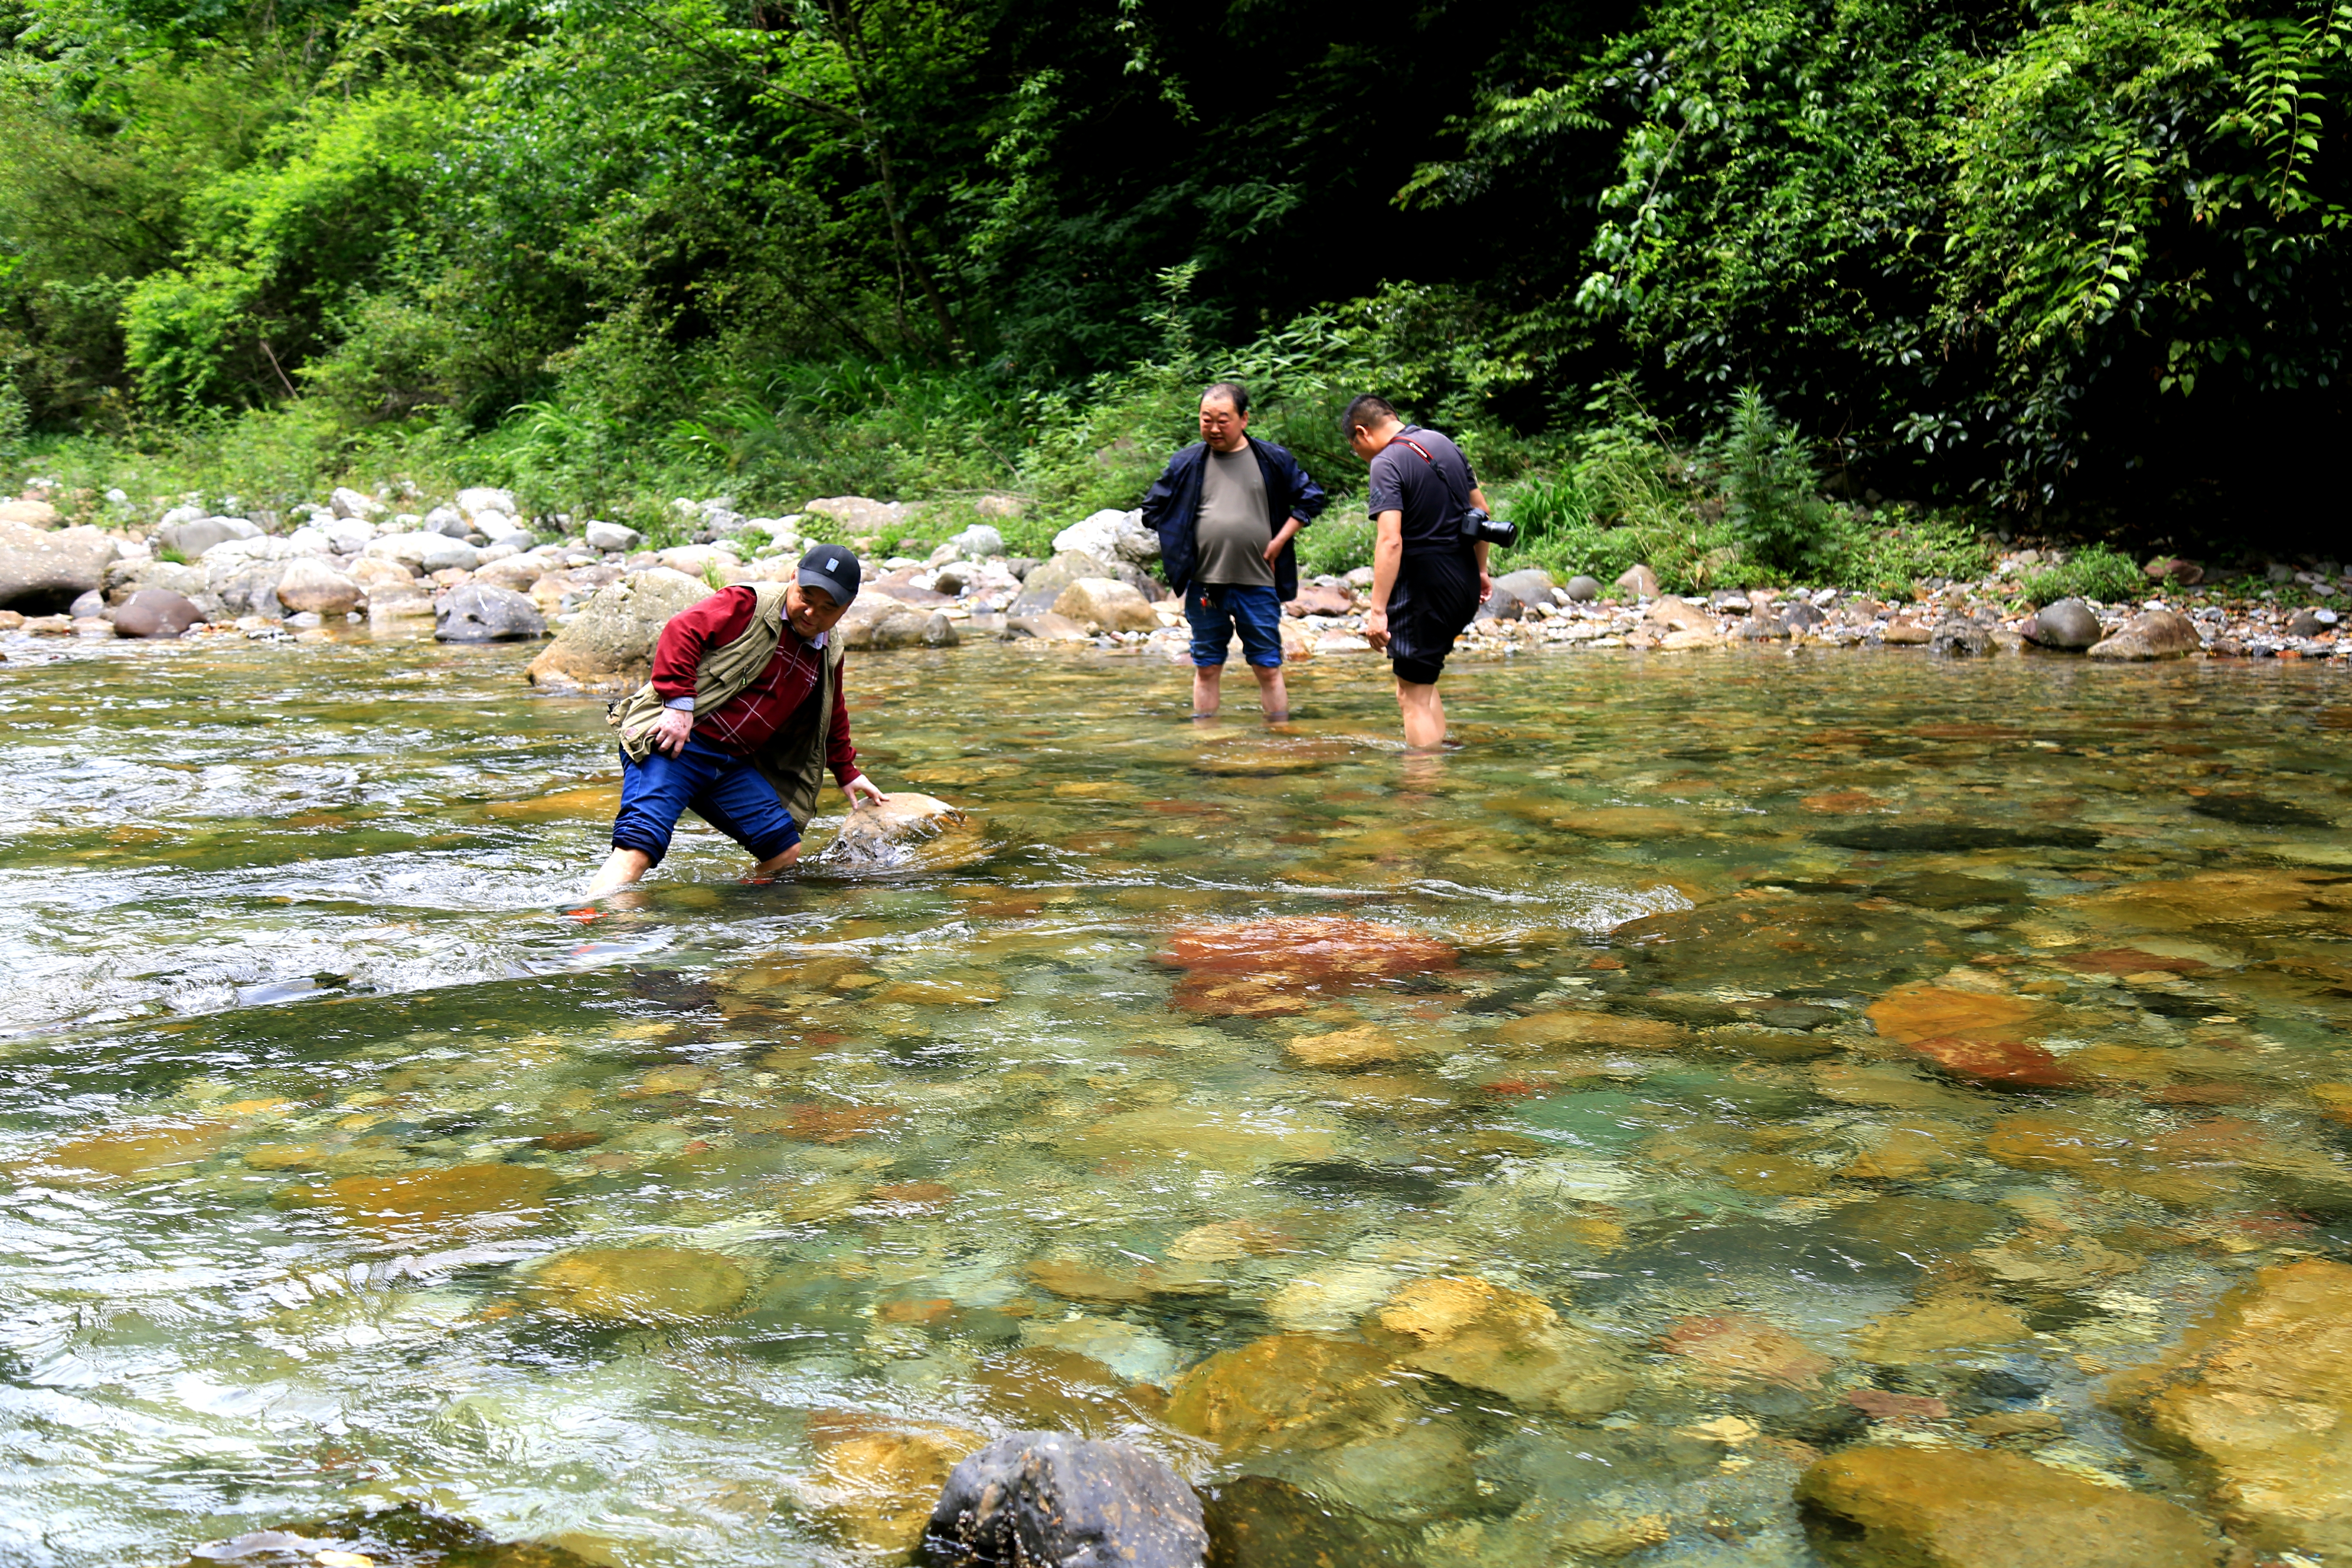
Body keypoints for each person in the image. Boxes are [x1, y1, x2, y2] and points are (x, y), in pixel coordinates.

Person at [585, 543, 889, 895]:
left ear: (847, 608)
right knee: (638, 850)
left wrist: (846, 771)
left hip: (728, 764)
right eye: (805, 596)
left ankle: (729, 910)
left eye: (827, 608)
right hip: (674, 743)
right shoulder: (747, 604)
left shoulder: (829, 649)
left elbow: (831, 708)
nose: (811, 612)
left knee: (784, 852)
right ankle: (591, 922)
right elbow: (682, 630)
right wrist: (679, 706)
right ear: (793, 578)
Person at [1140, 381, 1327, 722]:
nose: (1213, 428)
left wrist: (1281, 539)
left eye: (1222, 420)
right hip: (1204, 585)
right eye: (1206, 419)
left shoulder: (1272, 459)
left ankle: (1279, 738)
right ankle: (1206, 743)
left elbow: (1311, 498)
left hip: (1258, 582)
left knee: (1267, 666)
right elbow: (1153, 509)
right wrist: (1184, 541)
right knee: (1207, 666)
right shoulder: (1186, 464)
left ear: (1244, 419)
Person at [1343, 394, 1495, 751]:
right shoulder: (1443, 443)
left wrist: (1378, 611)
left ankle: (1422, 794)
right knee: (1418, 684)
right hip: (1462, 582)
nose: (1360, 456)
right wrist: (1482, 571)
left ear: (1362, 433)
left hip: (1423, 591)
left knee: (1412, 699)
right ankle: (1441, 758)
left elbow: (1391, 541)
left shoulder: (1387, 462)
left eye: (1355, 448)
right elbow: (1482, 513)